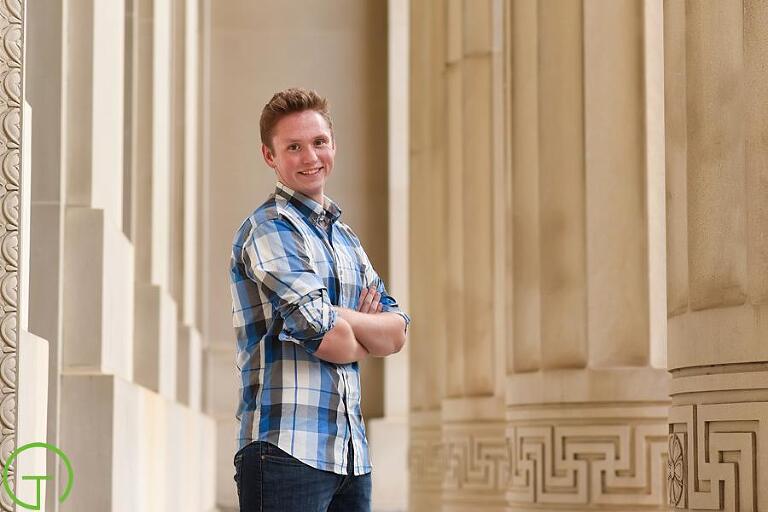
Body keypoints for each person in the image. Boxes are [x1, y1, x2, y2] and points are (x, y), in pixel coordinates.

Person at [229, 87, 410, 512]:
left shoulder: (346, 238)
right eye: (293, 146)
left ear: (333, 145)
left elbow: (397, 332)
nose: (310, 156)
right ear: (269, 156)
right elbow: (330, 340)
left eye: (319, 142)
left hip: (350, 457)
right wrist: (360, 330)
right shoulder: (270, 229)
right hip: (285, 452)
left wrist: (340, 316)